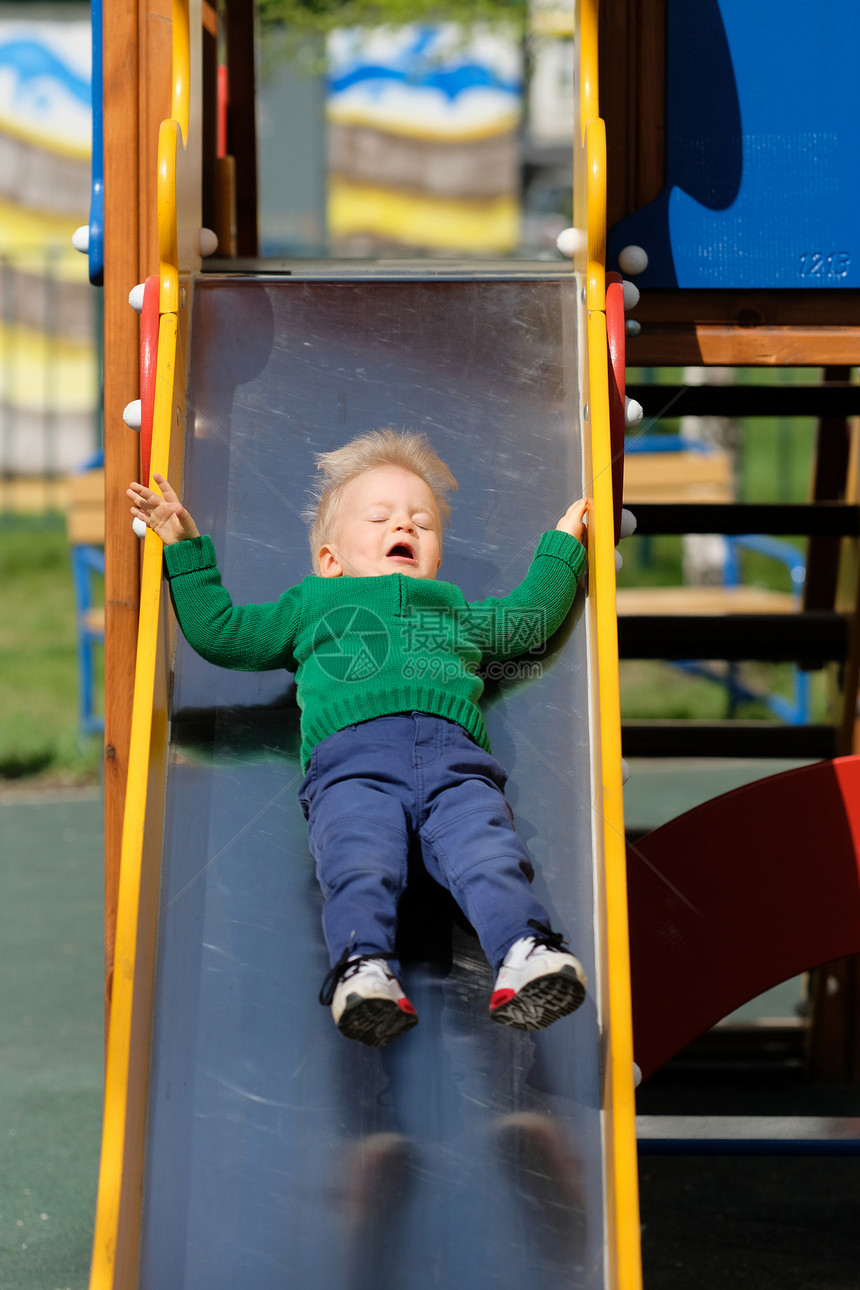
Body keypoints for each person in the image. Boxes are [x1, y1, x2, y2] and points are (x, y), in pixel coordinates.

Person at [128, 428, 589, 1048]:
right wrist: (185, 549)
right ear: (330, 559)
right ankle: (363, 967)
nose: (405, 526)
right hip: (353, 767)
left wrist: (561, 547)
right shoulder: (311, 606)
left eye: (422, 524)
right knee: (357, 859)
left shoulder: (450, 610)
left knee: (491, 854)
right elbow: (225, 634)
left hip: (458, 769)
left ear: (436, 558)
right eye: (381, 517)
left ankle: (525, 951)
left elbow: (528, 619)